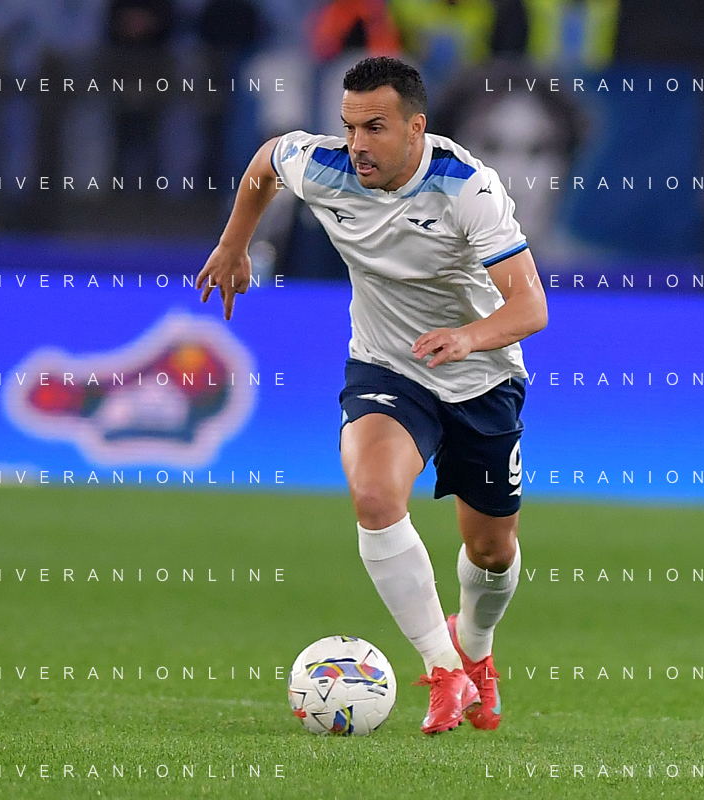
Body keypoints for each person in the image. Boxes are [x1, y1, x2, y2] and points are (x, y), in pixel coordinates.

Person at [196, 56, 547, 734]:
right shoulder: (323, 165)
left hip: (481, 378)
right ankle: (442, 670)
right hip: (388, 369)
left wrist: (468, 338)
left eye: (375, 128)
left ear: (416, 129)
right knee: (376, 498)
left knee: (491, 551)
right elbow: (266, 162)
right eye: (349, 126)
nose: (357, 144)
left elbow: (530, 307)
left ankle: (474, 649)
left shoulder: (467, 186)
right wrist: (235, 244)